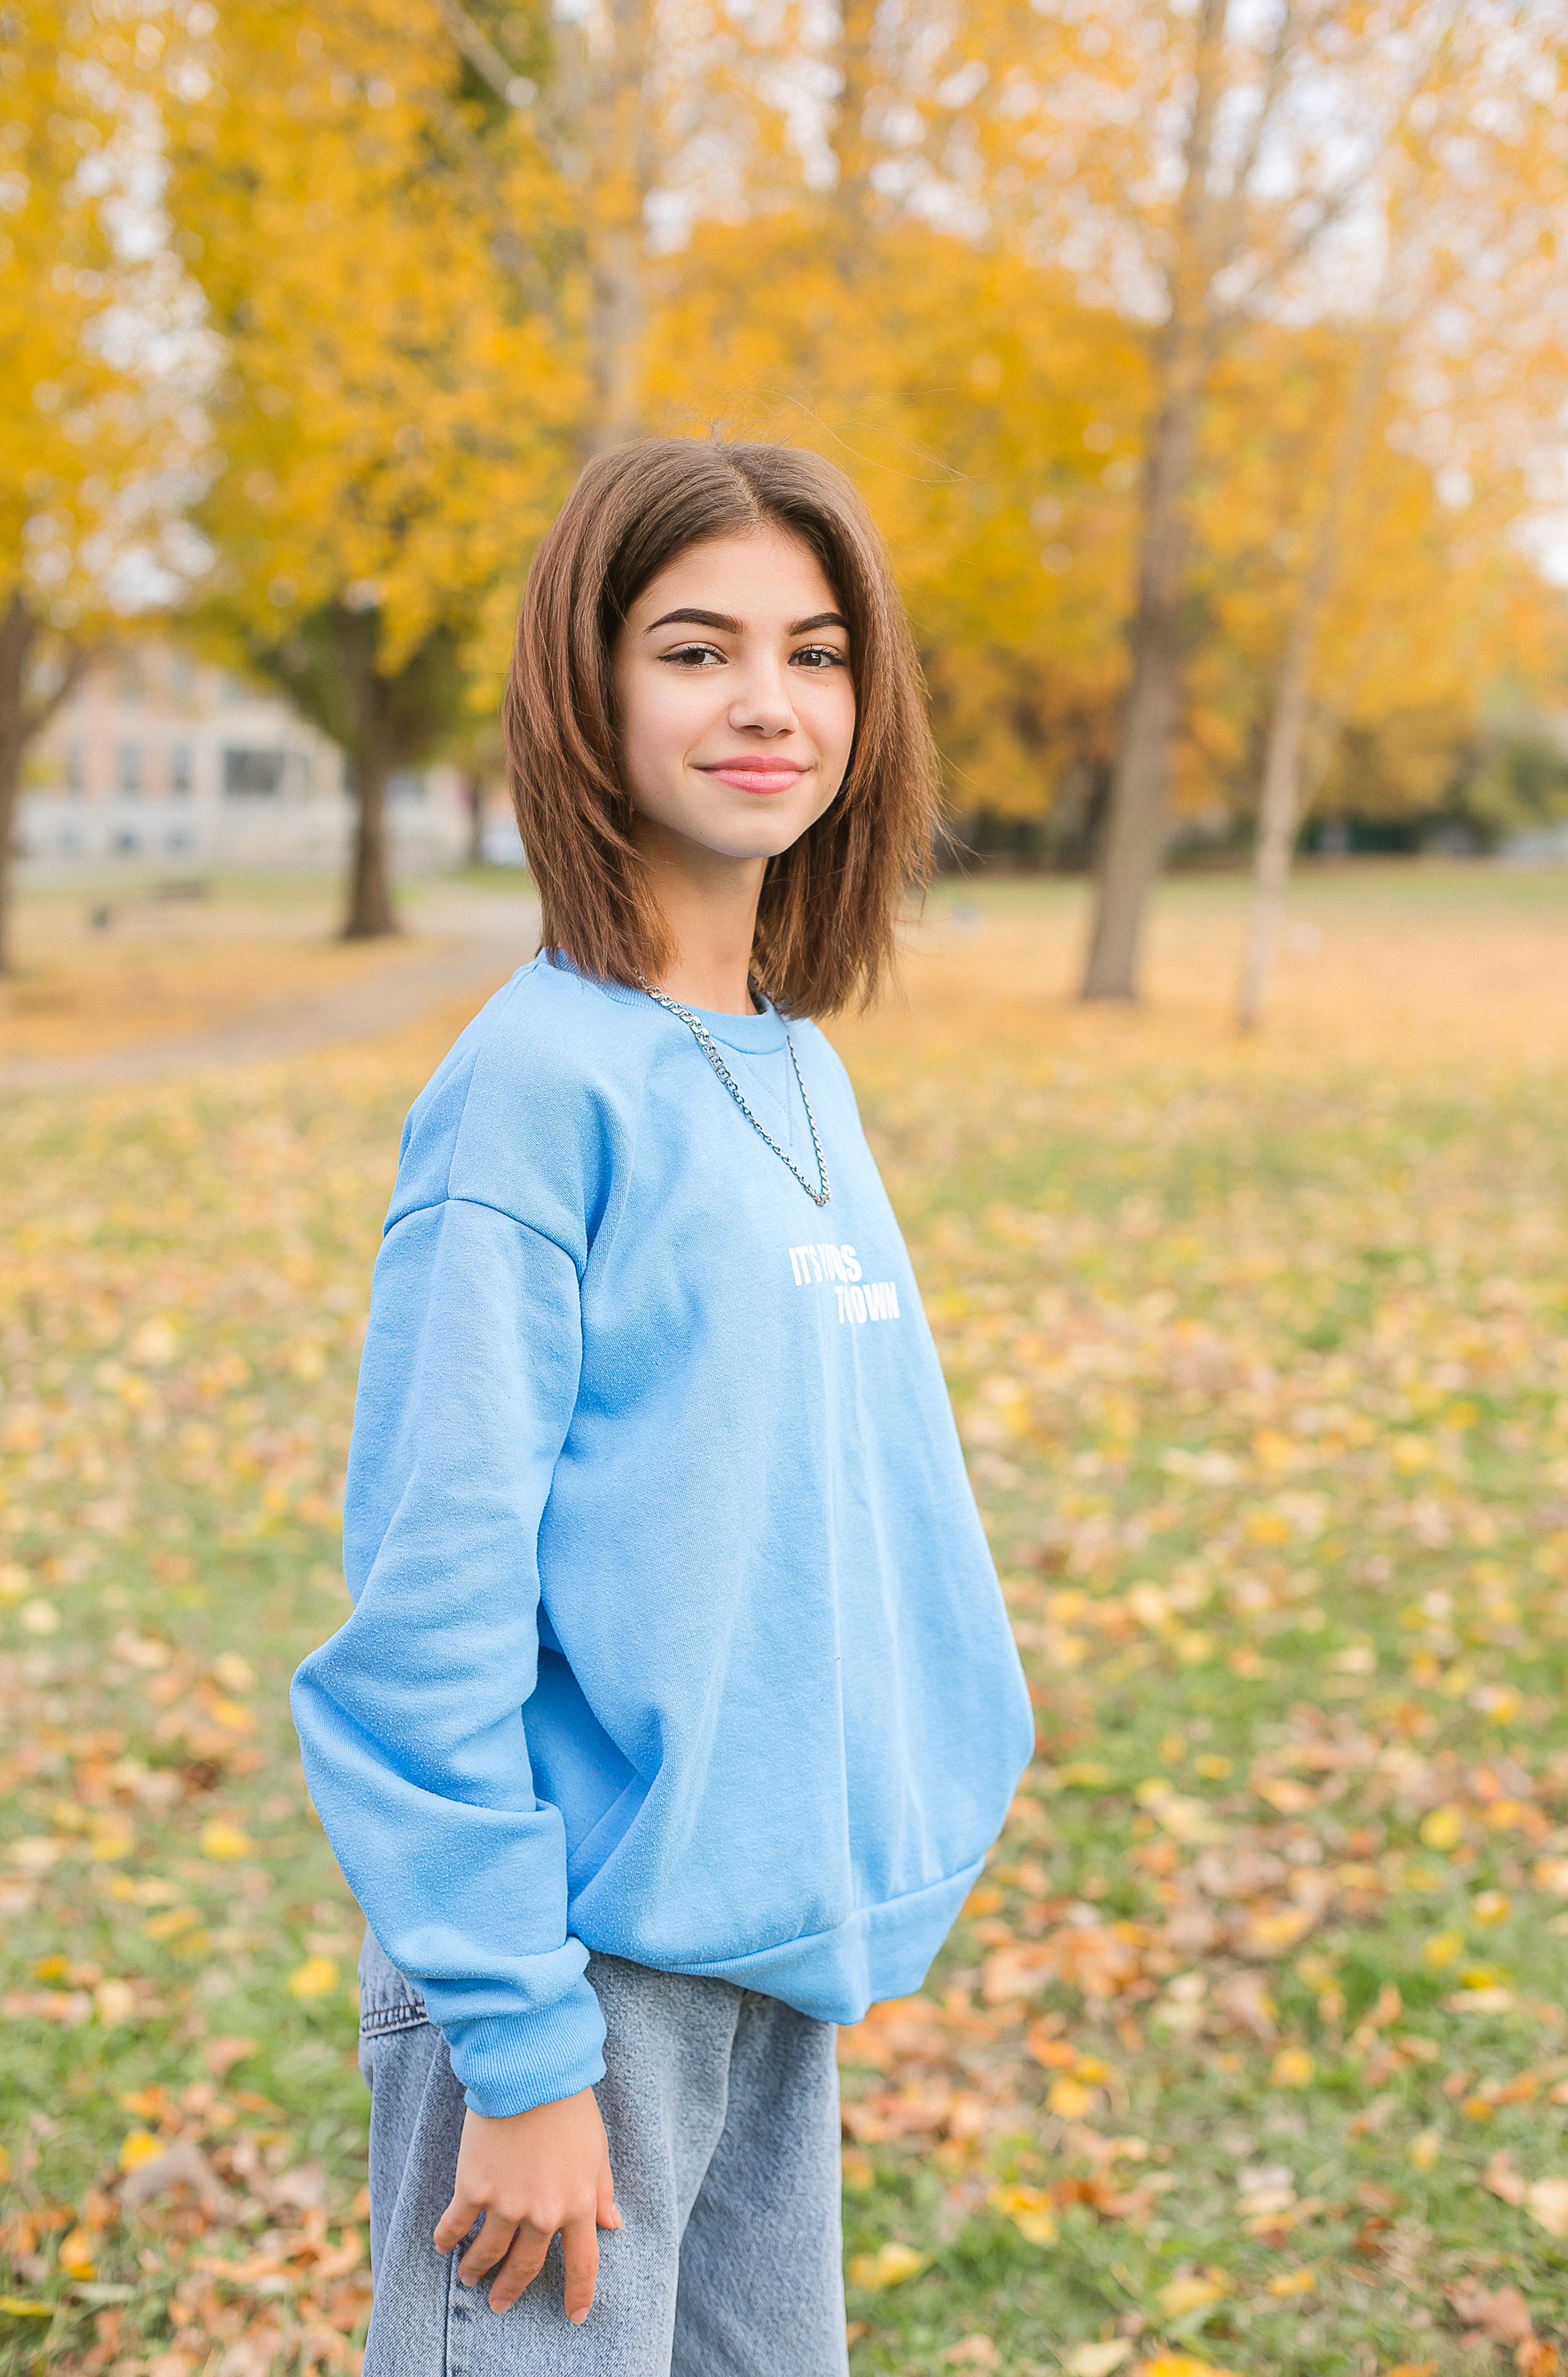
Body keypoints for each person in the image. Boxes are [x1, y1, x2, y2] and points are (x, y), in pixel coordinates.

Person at [290, 437, 1033, 2376]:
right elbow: (427, 1621)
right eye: (697, 649)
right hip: (571, 1982)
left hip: (765, 1958)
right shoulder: (537, 1091)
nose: (770, 702)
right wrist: (524, 2055)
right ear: (588, 689)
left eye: (818, 650)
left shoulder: (791, 1071)